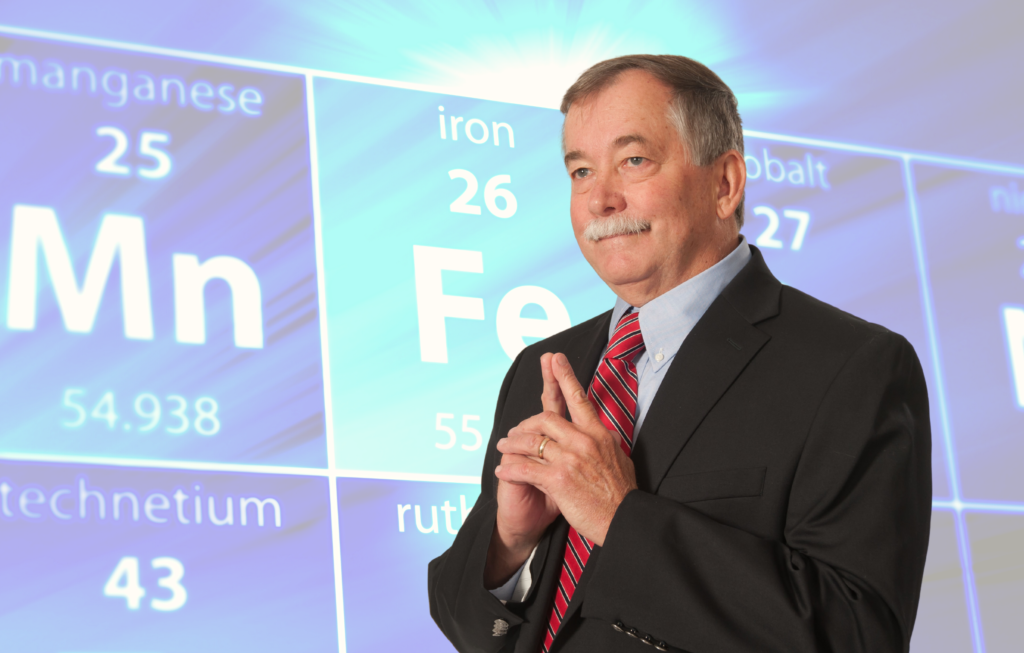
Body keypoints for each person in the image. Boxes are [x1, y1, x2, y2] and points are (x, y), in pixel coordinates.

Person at [428, 54, 931, 653]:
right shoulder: (542, 368)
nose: (599, 200)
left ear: (724, 185)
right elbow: (471, 628)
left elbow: (856, 635)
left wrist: (620, 517)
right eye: (581, 171)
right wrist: (509, 544)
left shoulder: (854, 368)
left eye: (633, 161)